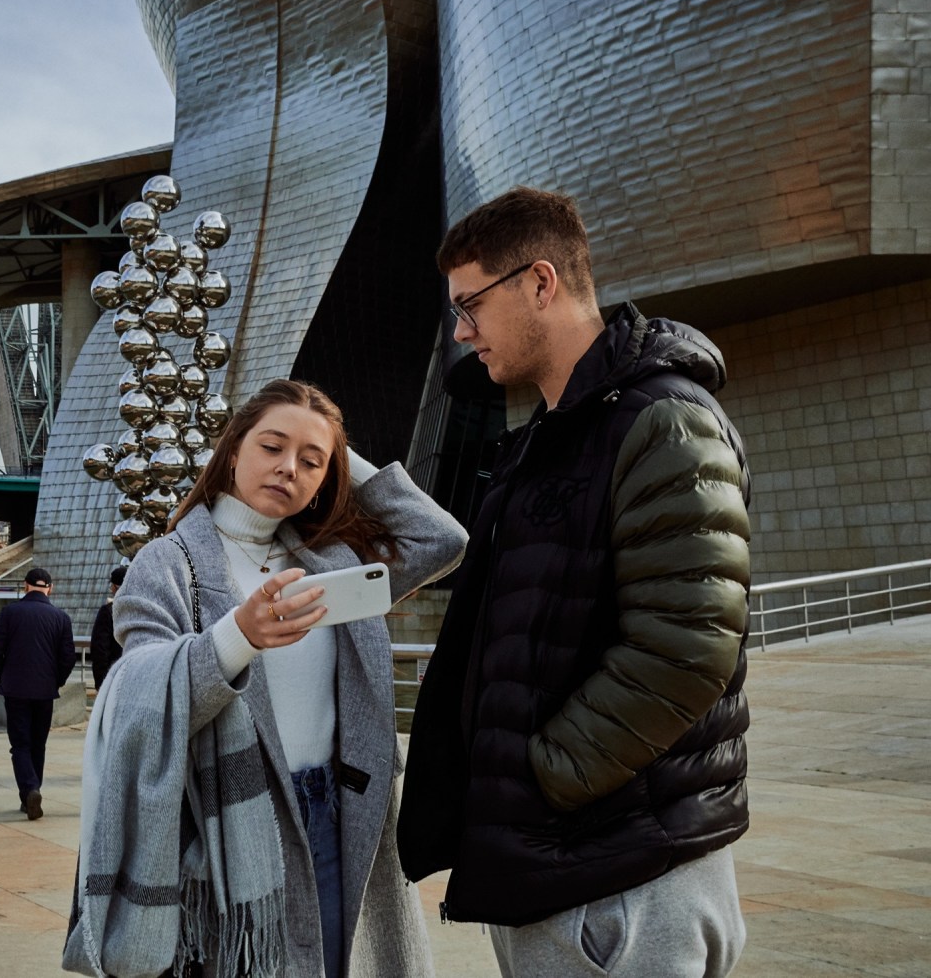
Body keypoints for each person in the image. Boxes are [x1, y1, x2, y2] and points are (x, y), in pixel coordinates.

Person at [396, 187, 753, 978]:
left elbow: (687, 650)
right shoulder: (550, 440)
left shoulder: (663, 420)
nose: (461, 332)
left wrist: (542, 774)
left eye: (471, 305)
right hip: (564, 866)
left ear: (541, 282)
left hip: (623, 878)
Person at [63, 379, 468, 978]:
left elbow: (443, 539)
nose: (288, 469)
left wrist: (329, 441)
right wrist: (238, 637)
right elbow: (139, 694)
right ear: (232, 451)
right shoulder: (170, 564)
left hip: (337, 811)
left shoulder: (332, 562)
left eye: (310, 463)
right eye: (271, 447)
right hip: (232, 824)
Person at [0, 568, 75, 822]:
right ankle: (32, 791)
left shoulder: (10, 613)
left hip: (15, 689)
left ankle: (29, 790)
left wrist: (2, 675)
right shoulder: (61, 618)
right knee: (38, 743)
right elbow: (67, 657)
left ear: (25, 586)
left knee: (20, 745)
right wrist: (56, 681)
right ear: (50, 587)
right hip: (45, 691)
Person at [88, 565, 126, 690]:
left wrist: (100, 682)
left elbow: (100, 648)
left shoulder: (108, 612)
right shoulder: (143, 609)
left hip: (114, 677)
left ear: (115, 587)